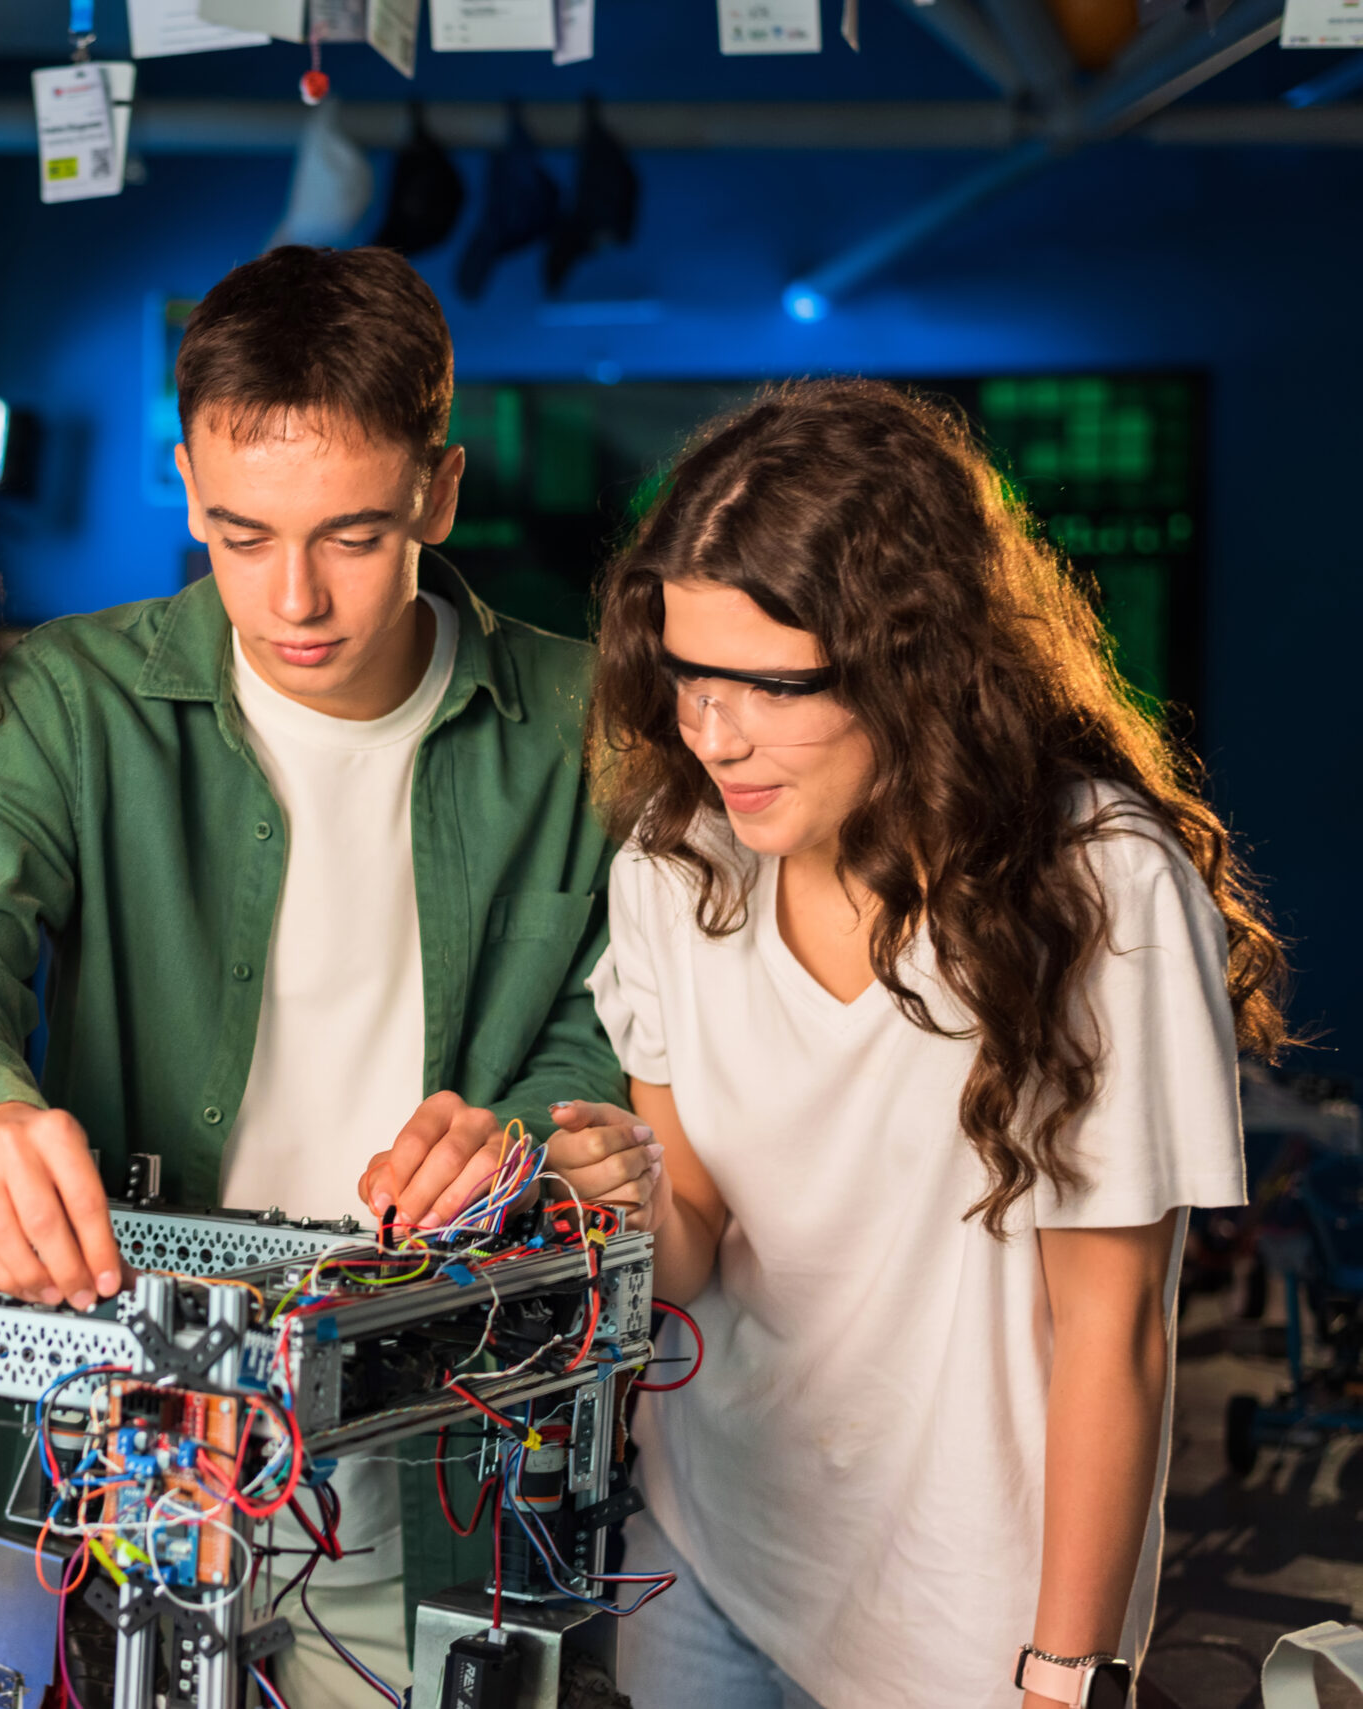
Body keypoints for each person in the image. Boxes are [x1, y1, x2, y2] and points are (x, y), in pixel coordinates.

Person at [0, 245, 623, 1705]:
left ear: (441, 496)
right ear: (189, 479)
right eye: (242, 534)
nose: (296, 599)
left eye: (357, 535)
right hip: (111, 1434)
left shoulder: (586, 727)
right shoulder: (72, 702)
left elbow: (617, 1019)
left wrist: (526, 1129)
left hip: (428, 1438)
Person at [546, 380, 1285, 1709]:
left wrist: (1068, 1675)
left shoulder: (1095, 885)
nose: (712, 736)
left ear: (913, 659)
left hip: (967, 1604)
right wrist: (628, 1198)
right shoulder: (675, 862)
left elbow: (1109, 1326)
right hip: (709, 1539)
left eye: (768, 685)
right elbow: (701, 1229)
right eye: (688, 676)